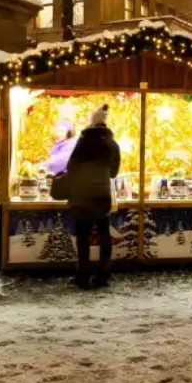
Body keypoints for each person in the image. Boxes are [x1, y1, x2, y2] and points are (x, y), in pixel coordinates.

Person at [65, 104, 120, 289]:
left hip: (82, 195)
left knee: (83, 235)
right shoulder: (112, 144)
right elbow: (113, 173)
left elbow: (71, 167)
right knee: (104, 234)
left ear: (91, 122)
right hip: (102, 196)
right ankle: (103, 275)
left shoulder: (83, 142)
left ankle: (83, 275)